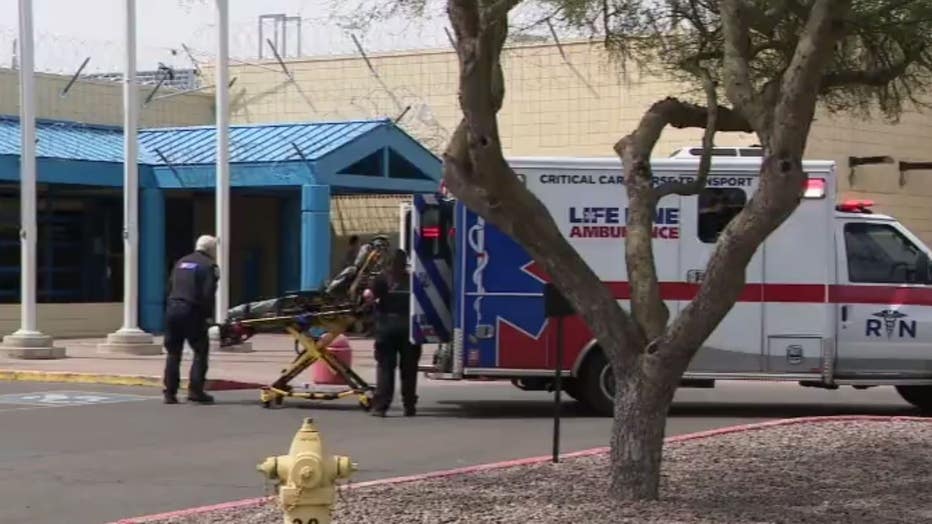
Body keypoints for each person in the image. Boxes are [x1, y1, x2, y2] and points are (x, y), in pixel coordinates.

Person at [162, 235, 220, 405]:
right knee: (200, 352)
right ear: (211, 250)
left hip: (173, 309)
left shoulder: (180, 262)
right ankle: (196, 391)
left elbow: (170, 286)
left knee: (173, 353)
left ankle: (169, 393)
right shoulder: (210, 266)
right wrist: (208, 317)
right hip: (192, 311)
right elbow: (208, 294)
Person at [366, 248, 422, 417]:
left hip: (386, 329)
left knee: (385, 368)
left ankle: (381, 407)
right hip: (409, 330)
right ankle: (409, 405)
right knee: (409, 369)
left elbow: (368, 296)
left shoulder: (381, 279)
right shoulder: (413, 280)